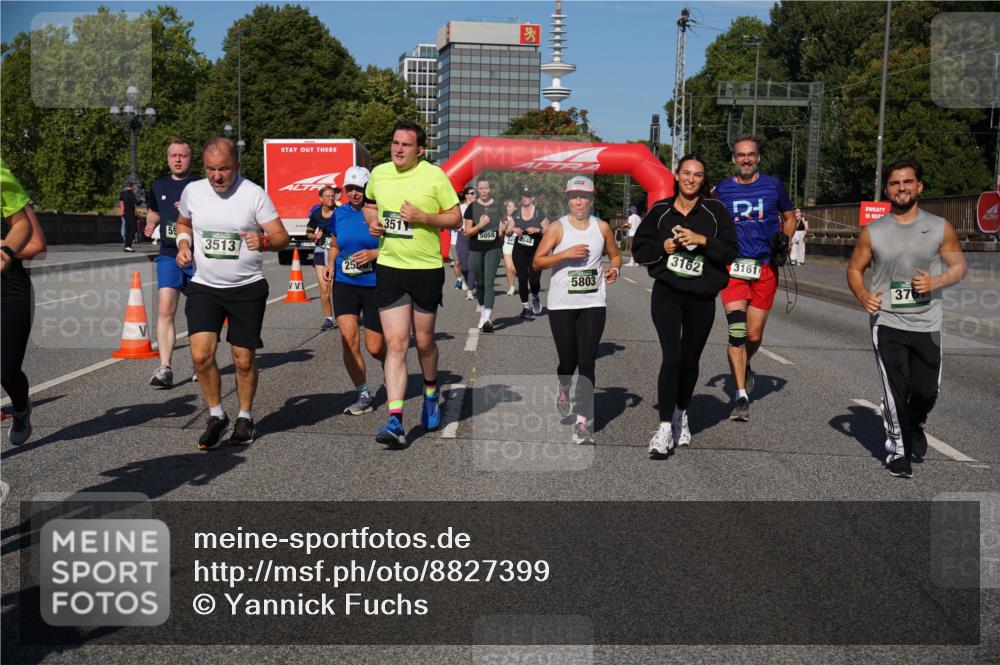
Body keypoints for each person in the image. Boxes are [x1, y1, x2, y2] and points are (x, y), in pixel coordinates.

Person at [847, 158, 966, 478]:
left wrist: (935, 282)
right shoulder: (873, 231)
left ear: (919, 187)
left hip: (928, 321)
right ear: (886, 189)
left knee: (927, 392)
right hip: (887, 321)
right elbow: (855, 269)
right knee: (895, 388)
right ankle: (897, 451)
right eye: (895, 183)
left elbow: (958, 267)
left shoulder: (940, 226)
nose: (902, 188)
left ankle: (914, 422)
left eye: (908, 182)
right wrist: (863, 295)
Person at [175, 137, 289, 450]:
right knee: (201, 355)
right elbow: (183, 223)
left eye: (223, 169)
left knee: (243, 359)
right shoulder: (193, 192)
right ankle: (216, 414)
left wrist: (263, 241)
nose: (217, 176)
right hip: (204, 286)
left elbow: (281, 237)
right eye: (211, 169)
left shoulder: (253, 194)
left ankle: (245, 416)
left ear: (237, 166)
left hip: (247, 288)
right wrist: (183, 246)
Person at [632, 155, 738, 457]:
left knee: (690, 361)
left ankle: (681, 414)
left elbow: (730, 251)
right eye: (686, 173)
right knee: (672, 358)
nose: (691, 179)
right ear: (676, 176)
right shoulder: (661, 211)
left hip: (701, 298)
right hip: (667, 293)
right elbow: (640, 251)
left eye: (698, 175)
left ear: (704, 180)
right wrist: (662, 247)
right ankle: (664, 429)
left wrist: (703, 240)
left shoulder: (715, 212)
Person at [365, 121, 461, 446]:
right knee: (395, 344)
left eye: (405, 145)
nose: (398, 150)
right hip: (390, 266)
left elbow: (456, 217)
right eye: (394, 143)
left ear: (420, 150)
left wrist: (424, 218)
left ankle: (431, 391)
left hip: (426, 268)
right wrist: (373, 223)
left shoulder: (434, 176)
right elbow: (369, 203)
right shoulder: (379, 173)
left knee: (423, 342)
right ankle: (395, 420)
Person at [533, 176, 621, 444]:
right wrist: (564, 255)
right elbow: (537, 262)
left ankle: (582, 423)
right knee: (567, 361)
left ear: (592, 199)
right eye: (573, 196)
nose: (578, 201)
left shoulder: (602, 227)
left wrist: (614, 268)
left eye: (583, 196)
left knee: (586, 361)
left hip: (593, 302)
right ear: (567, 199)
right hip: (562, 305)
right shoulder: (558, 229)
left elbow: (615, 254)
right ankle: (563, 387)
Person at [713, 136, 795, 421]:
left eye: (751, 155)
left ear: (758, 158)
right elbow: (710, 219)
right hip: (733, 270)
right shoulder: (721, 190)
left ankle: (743, 363)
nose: (745, 160)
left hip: (765, 268)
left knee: (754, 334)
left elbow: (789, 216)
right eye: (740, 155)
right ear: (733, 159)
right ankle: (740, 396)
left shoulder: (773, 185)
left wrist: (786, 238)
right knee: (737, 332)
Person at [325, 166, 385, 415]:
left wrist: (374, 253)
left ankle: (393, 367)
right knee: (349, 341)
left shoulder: (378, 212)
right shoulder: (339, 215)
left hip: (374, 284)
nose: (353, 193)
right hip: (345, 283)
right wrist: (330, 263)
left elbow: (398, 247)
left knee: (375, 347)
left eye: (358, 189)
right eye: (349, 188)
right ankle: (363, 394)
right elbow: (336, 245)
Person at [145, 139, 201, 387]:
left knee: (198, 313)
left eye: (183, 155)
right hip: (169, 252)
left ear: (191, 158)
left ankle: (201, 363)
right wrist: (150, 223)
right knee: (165, 309)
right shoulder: (158, 184)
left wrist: (190, 211)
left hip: (199, 256)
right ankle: (165, 367)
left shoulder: (201, 185)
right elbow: (155, 211)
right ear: (167, 158)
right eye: (173, 155)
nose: (178, 159)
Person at [1, 160, 47, 446]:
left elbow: (37, 245)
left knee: (5, 369)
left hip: (9, 290)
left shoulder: (7, 190)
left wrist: (4, 250)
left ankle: (20, 410)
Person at [464, 178, 509, 333]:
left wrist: (504, 228)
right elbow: (468, 232)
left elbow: (506, 224)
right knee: (480, 282)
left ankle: (488, 317)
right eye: (481, 188)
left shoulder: (498, 206)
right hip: (476, 248)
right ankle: (483, 312)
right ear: (477, 190)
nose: (484, 191)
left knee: (489, 281)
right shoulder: (472, 207)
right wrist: (480, 225)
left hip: (493, 247)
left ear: (490, 189)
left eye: (486, 188)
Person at [509, 186, 548, 318]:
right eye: (523, 196)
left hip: (536, 251)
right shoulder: (516, 213)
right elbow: (507, 232)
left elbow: (548, 231)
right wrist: (514, 229)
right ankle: (525, 307)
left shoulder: (539, 212)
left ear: (532, 198)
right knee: (522, 278)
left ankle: (535, 296)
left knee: (534, 279)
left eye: (527, 196)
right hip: (519, 250)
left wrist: (538, 230)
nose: (525, 198)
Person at [306, 186, 338, 332]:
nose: (331, 198)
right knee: (324, 287)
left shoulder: (340, 212)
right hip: (320, 251)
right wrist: (314, 236)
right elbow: (309, 231)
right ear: (321, 199)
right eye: (327, 196)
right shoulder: (316, 214)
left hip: (337, 252)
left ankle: (345, 315)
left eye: (332, 196)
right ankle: (328, 319)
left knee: (335, 288)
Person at [455, 187, 477, 299]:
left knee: (472, 266)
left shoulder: (479, 208)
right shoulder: (460, 208)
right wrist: (457, 228)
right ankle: (470, 282)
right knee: (464, 268)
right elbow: (454, 222)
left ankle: (470, 291)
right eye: (472, 193)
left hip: (475, 239)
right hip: (462, 238)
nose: (474, 195)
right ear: (466, 195)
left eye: (475, 193)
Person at [502, 199, 518, 296]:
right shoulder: (503, 219)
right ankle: (511, 287)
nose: (508, 208)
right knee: (509, 268)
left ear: (515, 208)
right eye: (507, 206)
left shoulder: (520, 218)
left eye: (510, 206)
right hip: (507, 245)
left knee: (516, 269)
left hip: (518, 246)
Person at [120, 182, 138, 252]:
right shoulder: (131, 194)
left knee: (127, 230)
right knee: (132, 230)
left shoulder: (122, 194)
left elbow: (122, 201)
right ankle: (128, 246)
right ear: (131, 186)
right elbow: (136, 203)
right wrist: (142, 200)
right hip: (131, 214)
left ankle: (126, 246)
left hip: (125, 214)